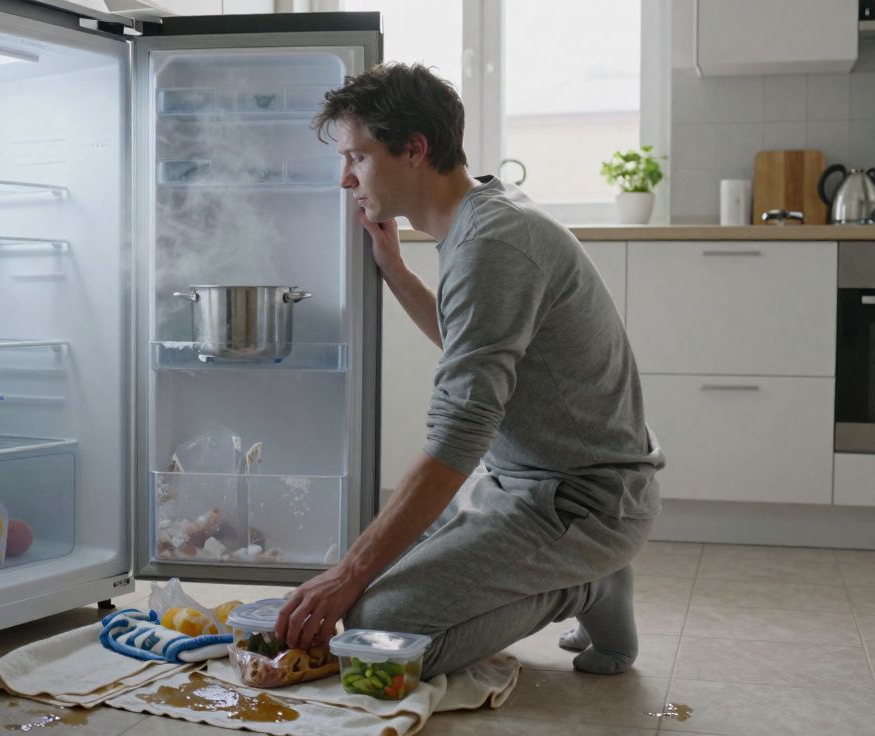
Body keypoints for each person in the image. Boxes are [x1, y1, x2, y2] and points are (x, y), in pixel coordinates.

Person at [273, 63, 665, 679]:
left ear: (414, 149)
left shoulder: (492, 244)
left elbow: (457, 440)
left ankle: (587, 585)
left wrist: (350, 572)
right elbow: (471, 343)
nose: (347, 178)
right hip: (526, 487)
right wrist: (397, 272)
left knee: (377, 632)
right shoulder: (478, 219)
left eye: (358, 157)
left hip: (584, 503)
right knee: (372, 610)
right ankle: (588, 574)